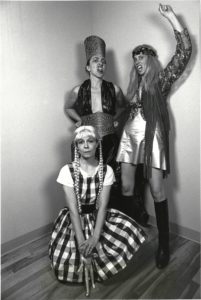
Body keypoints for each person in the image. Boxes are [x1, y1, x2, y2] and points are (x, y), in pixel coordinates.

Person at [116, 4, 192, 269]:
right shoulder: (133, 87)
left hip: (152, 136)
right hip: (129, 136)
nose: (137, 61)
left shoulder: (161, 80)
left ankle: (163, 246)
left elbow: (184, 54)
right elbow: (123, 112)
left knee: (157, 190)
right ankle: (124, 241)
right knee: (125, 187)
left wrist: (171, 17)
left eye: (142, 57)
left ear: (150, 59)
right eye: (134, 58)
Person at [49, 126, 146, 296]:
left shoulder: (106, 171)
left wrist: (95, 237)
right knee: (72, 262)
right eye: (81, 142)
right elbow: (73, 211)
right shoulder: (67, 171)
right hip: (76, 220)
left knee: (121, 236)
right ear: (76, 146)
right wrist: (82, 245)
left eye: (90, 141)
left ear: (97, 144)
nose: (86, 146)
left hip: (97, 217)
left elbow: (103, 206)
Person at [65, 35, 149, 224]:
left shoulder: (115, 89)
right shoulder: (78, 90)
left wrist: (116, 119)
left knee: (113, 181)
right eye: (96, 61)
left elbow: (124, 107)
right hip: (87, 142)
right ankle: (91, 222)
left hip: (110, 141)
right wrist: (78, 121)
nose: (100, 64)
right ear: (88, 67)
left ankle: (114, 221)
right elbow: (68, 108)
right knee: (89, 181)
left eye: (103, 61)